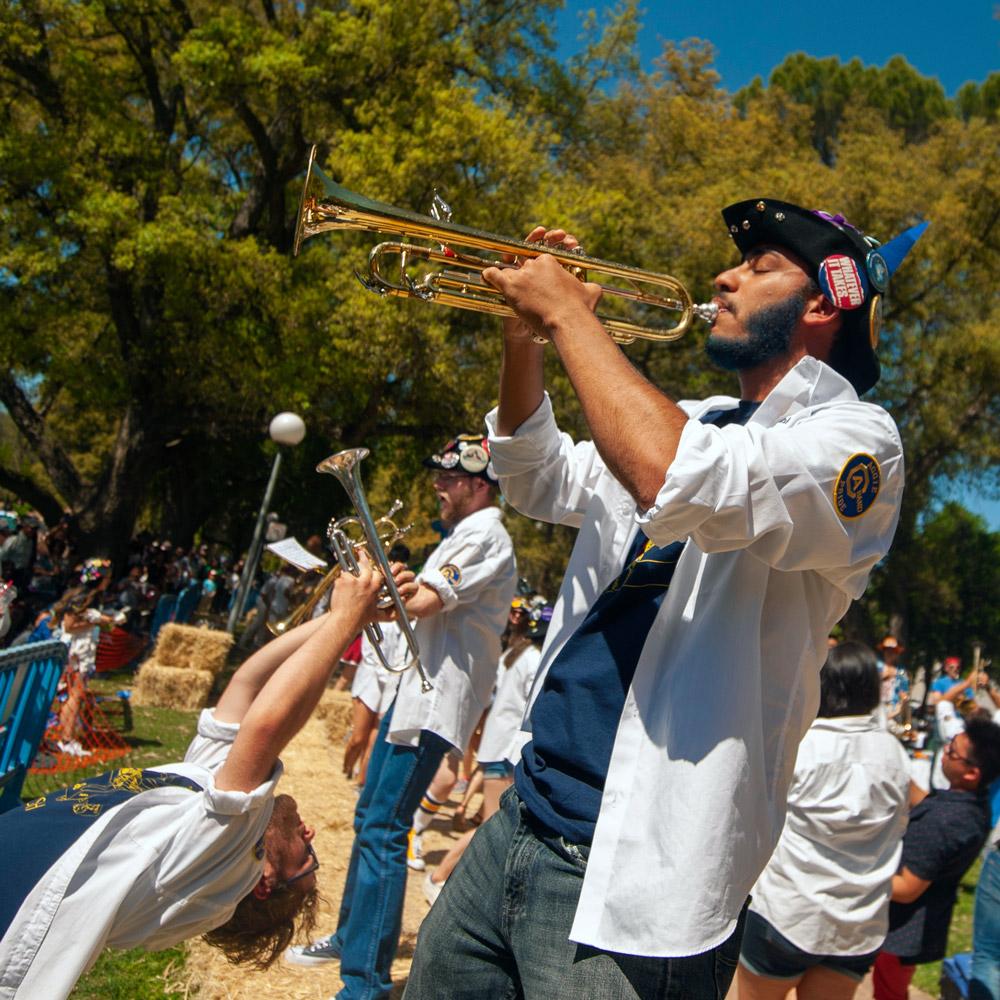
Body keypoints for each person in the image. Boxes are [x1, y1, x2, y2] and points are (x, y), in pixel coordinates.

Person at [405, 199, 924, 998]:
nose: (723, 278)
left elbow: (682, 476)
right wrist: (525, 337)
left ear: (823, 302)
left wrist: (575, 320)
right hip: (524, 816)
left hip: (643, 870)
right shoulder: (691, 416)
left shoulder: (860, 442)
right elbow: (534, 473)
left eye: (759, 268)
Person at [0, 555, 398, 1000]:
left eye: (308, 857)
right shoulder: (205, 826)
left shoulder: (226, 864)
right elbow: (246, 683)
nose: (310, 833)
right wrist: (346, 620)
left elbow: (265, 729)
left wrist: (345, 620)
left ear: (265, 881)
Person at [286, 432, 517, 1000]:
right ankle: (352, 939)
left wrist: (369, 583)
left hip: (435, 703)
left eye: (447, 477)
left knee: (384, 830)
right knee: (370, 824)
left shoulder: (485, 534)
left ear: (478, 484)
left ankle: (363, 982)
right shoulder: (461, 535)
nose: (437, 486)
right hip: (414, 699)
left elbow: (421, 602)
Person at [736, 641, 911, 1000]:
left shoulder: (800, 745)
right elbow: (900, 826)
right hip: (859, 922)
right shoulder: (894, 753)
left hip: (788, 912)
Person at [424, 599, 551, 904]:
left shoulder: (515, 654)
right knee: (491, 827)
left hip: (496, 744)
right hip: (508, 749)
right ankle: (439, 877)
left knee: (493, 825)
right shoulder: (535, 661)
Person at [872, 718, 1000, 1000]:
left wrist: (856, 872)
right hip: (916, 928)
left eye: (952, 751)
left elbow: (907, 889)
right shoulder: (970, 806)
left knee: (889, 992)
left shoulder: (944, 823)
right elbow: (928, 801)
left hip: (901, 931)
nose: (944, 752)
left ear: (971, 773)